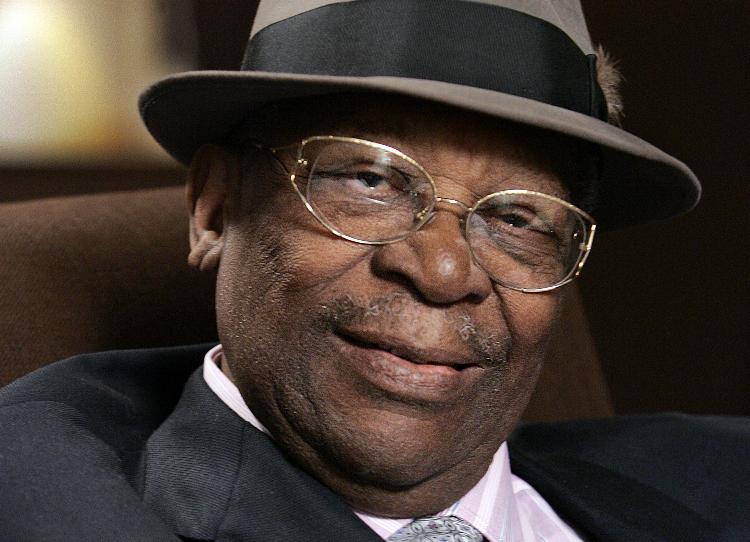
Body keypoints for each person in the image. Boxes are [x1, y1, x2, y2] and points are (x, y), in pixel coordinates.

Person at [1, 1, 748, 541]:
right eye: (372, 181)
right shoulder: (59, 501)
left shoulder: (715, 480)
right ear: (215, 206)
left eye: (518, 219)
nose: (446, 270)